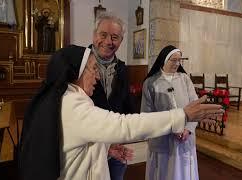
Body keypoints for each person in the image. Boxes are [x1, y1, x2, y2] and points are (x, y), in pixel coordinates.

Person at [19, 44, 223, 180]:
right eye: (92, 69)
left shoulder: (65, 99)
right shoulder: (73, 105)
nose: (97, 76)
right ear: (75, 74)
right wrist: (182, 115)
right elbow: (124, 125)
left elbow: (73, 142)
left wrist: (105, 149)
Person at [141, 45, 199, 180]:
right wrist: (170, 128)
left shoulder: (185, 79)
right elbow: (147, 114)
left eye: (180, 60)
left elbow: (195, 107)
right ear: (164, 60)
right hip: (162, 139)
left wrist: (188, 130)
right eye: (174, 60)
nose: (177, 63)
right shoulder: (151, 82)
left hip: (184, 139)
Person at [89, 12, 135, 180]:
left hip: (116, 144)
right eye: (103, 35)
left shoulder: (122, 69)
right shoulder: (76, 62)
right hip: (88, 147)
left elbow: (127, 105)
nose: (108, 41)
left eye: (115, 37)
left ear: (121, 41)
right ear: (94, 36)